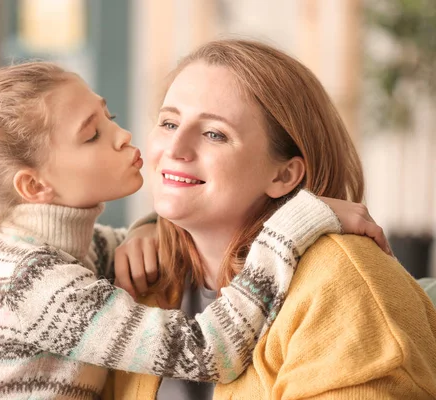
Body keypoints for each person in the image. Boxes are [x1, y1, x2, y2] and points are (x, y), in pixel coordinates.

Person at [0, 61, 389, 399]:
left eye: (107, 115)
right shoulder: (31, 281)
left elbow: (121, 247)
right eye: (92, 134)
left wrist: (150, 225)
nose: (125, 135)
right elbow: (204, 352)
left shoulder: (73, 249)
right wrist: (293, 221)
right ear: (36, 185)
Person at [110, 39, 436, 399]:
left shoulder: (342, 283)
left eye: (214, 134)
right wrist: (146, 227)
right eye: (169, 123)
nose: (174, 148)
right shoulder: (143, 276)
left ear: (283, 176)